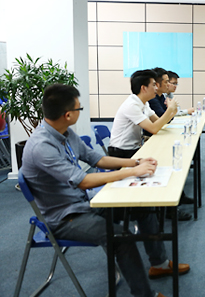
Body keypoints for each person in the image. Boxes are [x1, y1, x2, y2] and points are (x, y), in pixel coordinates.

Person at [20, 84, 190, 297]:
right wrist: (131, 172)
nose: (81, 111)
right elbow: (83, 181)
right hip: (64, 217)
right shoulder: (41, 146)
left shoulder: (65, 132)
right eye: (79, 108)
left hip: (84, 203)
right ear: (68, 115)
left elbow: (97, 159)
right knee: (120, 237)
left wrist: (134, 162)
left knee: (143, 207)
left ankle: (159, 264)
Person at [108, 70, 193, 221]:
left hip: (134, 149)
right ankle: (167, 210)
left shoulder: (144, 103)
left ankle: (172, 203)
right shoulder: (131, 105)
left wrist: (171, 111)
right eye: (153, 85)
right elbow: (154, 128)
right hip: (121, 153)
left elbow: (158, 122)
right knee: (161, 164)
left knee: (163, 160)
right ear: (143, 88)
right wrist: (170, 110)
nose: (157, 87)